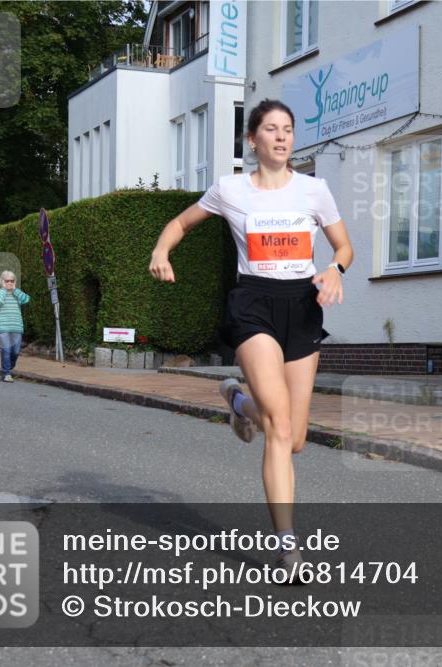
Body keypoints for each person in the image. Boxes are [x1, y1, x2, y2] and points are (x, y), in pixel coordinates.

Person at [149, 99, 354, 582]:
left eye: (288, 129)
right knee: (279, 428)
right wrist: (161, 249)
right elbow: (180, 223)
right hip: (254, 305)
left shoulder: (314, 190)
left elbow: (344, 246)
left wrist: (335, 270)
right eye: (271, 129)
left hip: (303, 308)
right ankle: (288, 552)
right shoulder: (230, 189)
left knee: (296, 439)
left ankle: (238, 402)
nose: (282, 137)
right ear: (252, 140)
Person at [0, 270, 30, 382]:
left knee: (16, 351)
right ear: (2, 281)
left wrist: (14, 290)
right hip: (2, 326)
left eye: (11, 281)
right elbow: (0, 301)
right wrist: (5, 289)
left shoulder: (17, 293)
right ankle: (6, 373)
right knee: (7, 349)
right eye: (7, 280)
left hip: (16, 326)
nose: (9, 282)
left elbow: (26, 299)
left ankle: (8, 366)